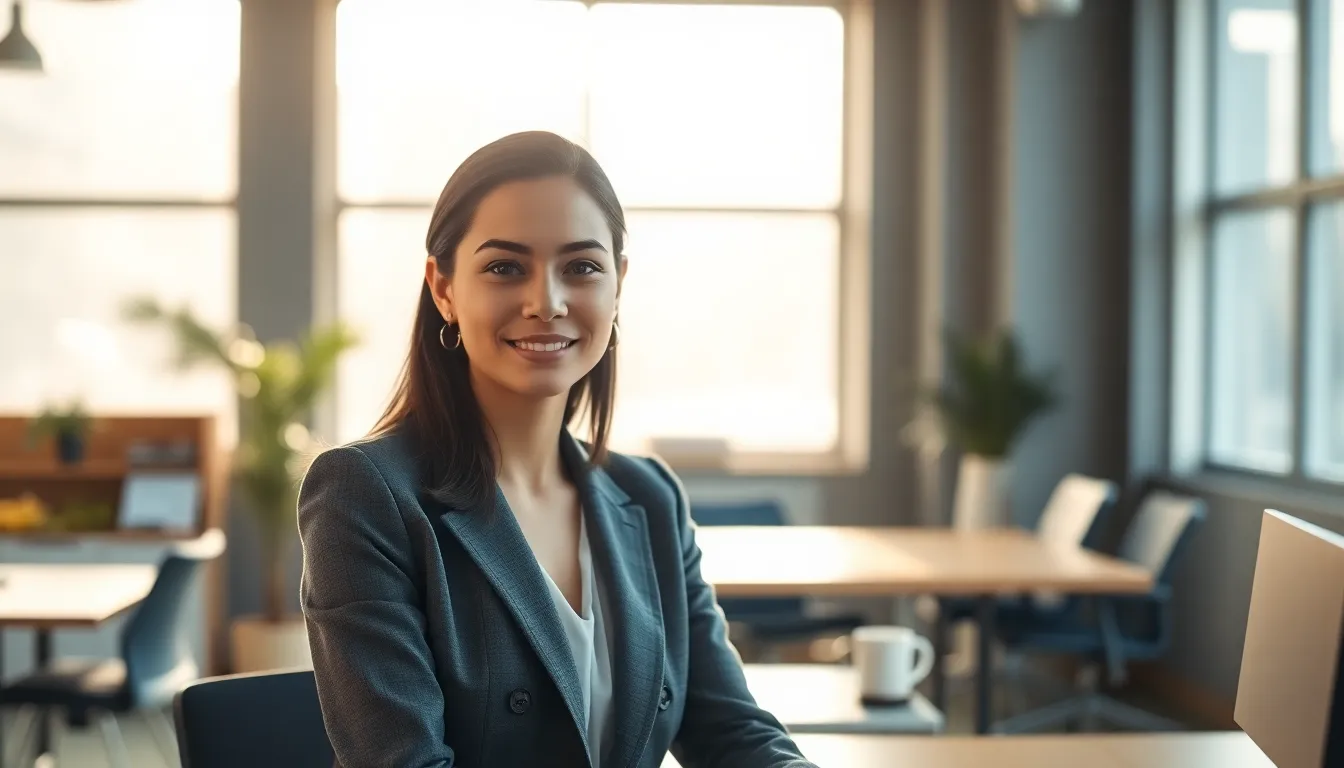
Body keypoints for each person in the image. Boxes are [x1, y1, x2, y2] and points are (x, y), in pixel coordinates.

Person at [297, 131, 817, 768]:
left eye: (582, 267)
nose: (546, 301)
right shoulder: (365, 493)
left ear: (617, 285)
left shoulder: (650, 497)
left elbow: (734, 732)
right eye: (505, 267)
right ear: (444, 288)